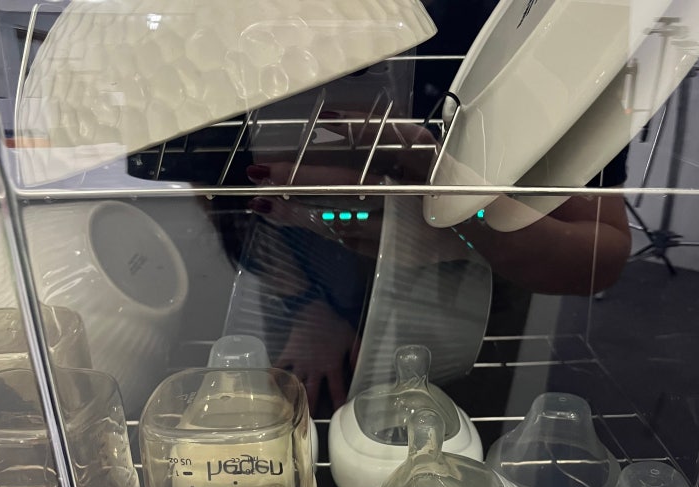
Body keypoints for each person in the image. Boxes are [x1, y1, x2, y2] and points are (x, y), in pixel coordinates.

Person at [220, 0, 632, 416]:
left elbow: (600, 256)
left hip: (470, 310)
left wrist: (459, 221)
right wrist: (307, 304)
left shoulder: (539, 20)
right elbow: (208, 188)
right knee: (296, 440)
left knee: (452, 440)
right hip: (298, 299)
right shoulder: (247, 23)